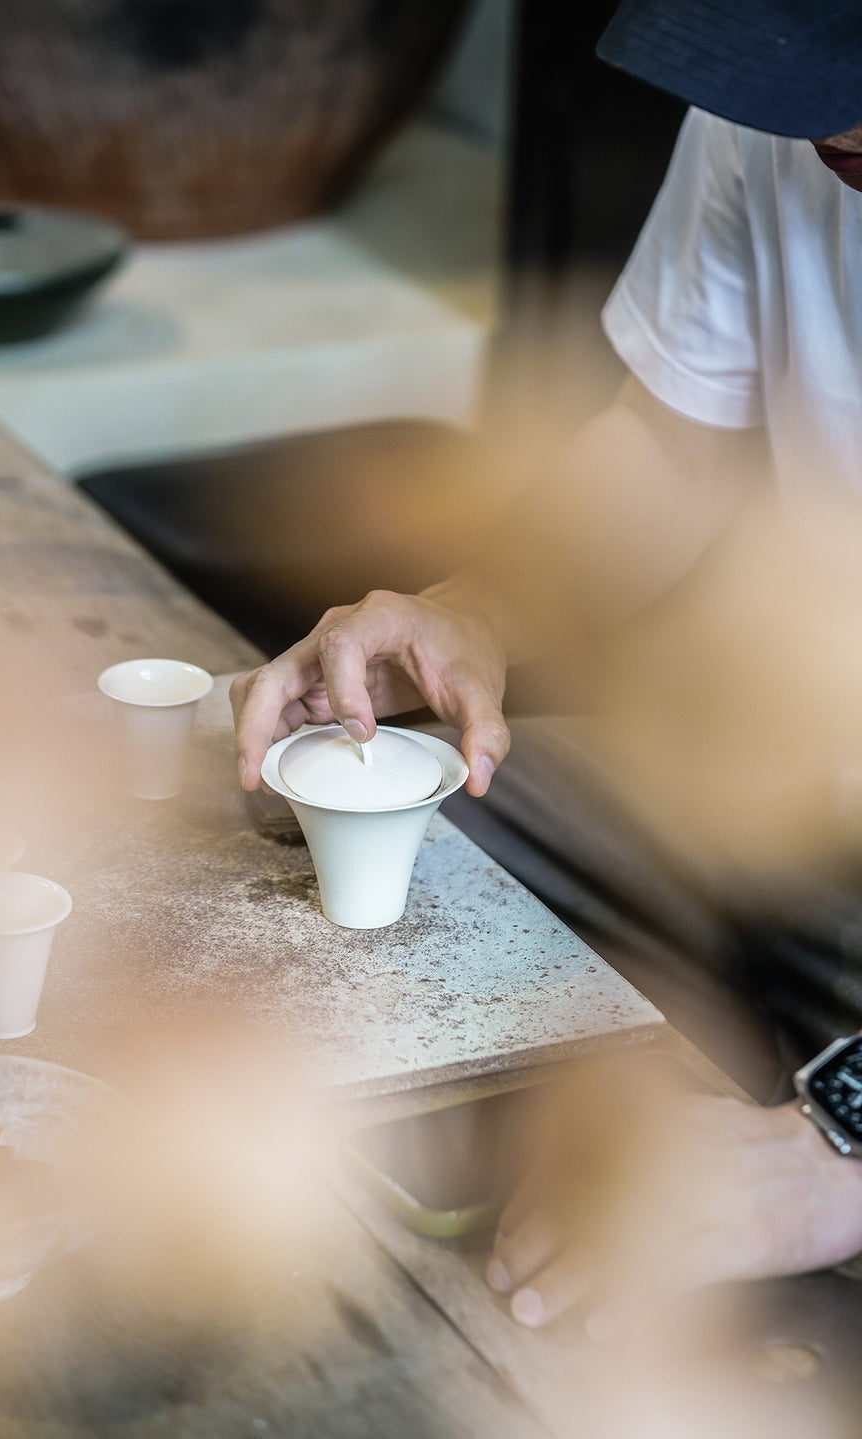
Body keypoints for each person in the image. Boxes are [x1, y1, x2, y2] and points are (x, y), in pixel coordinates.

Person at [232, 0, 862, 1329]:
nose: (821, 131)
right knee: (354, 823)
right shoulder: (787, 102)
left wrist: (831, 1159)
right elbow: (671, 442)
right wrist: (480, 615)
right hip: (766, 787)